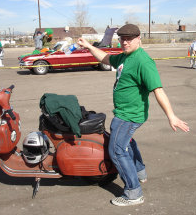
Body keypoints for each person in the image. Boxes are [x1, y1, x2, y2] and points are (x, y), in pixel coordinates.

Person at [77, 24, 189, 207]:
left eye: (129, 38)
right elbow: (106, 58)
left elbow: (158, 90)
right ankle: (139, 172)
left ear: (139, 38)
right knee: (127, 141)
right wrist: (89, 46)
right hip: (125, 113)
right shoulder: (126, 56)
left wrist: (171, 116)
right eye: (122, 38)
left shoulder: (142, 61)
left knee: (116, 150)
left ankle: (133, 192)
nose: (125, 42)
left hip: (128, 115)